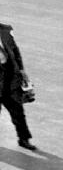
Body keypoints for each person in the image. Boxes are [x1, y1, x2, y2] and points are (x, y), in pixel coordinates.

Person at [0, 22, 36, 151]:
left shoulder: (6, 30)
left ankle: (24, 139)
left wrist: (21, 70)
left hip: (9, 77)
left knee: (18, 112)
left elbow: (15, 50)